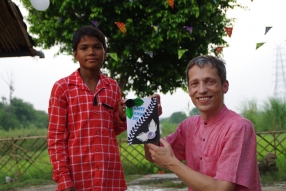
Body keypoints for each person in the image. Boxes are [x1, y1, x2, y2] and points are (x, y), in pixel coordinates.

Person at [47, 25, 162, 191]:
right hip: (78, 176)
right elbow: (56, 137)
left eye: (97, 47)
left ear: (105, 52)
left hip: (110, 174)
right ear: (75, 54)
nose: (91, 52)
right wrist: (63, 179)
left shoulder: (112, 87)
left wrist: (122, 116)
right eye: (84, 48)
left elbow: (112, 128)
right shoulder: (62, 88)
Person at [144, 55, 261, 191]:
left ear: (224, 86)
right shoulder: (188, 126)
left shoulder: (238, 127)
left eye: (210, 81)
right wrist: (149, 121)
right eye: (195, 83)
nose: (202, 90)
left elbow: (221, 188)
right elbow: (152, 155)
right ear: (189, 90)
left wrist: (171, 163)